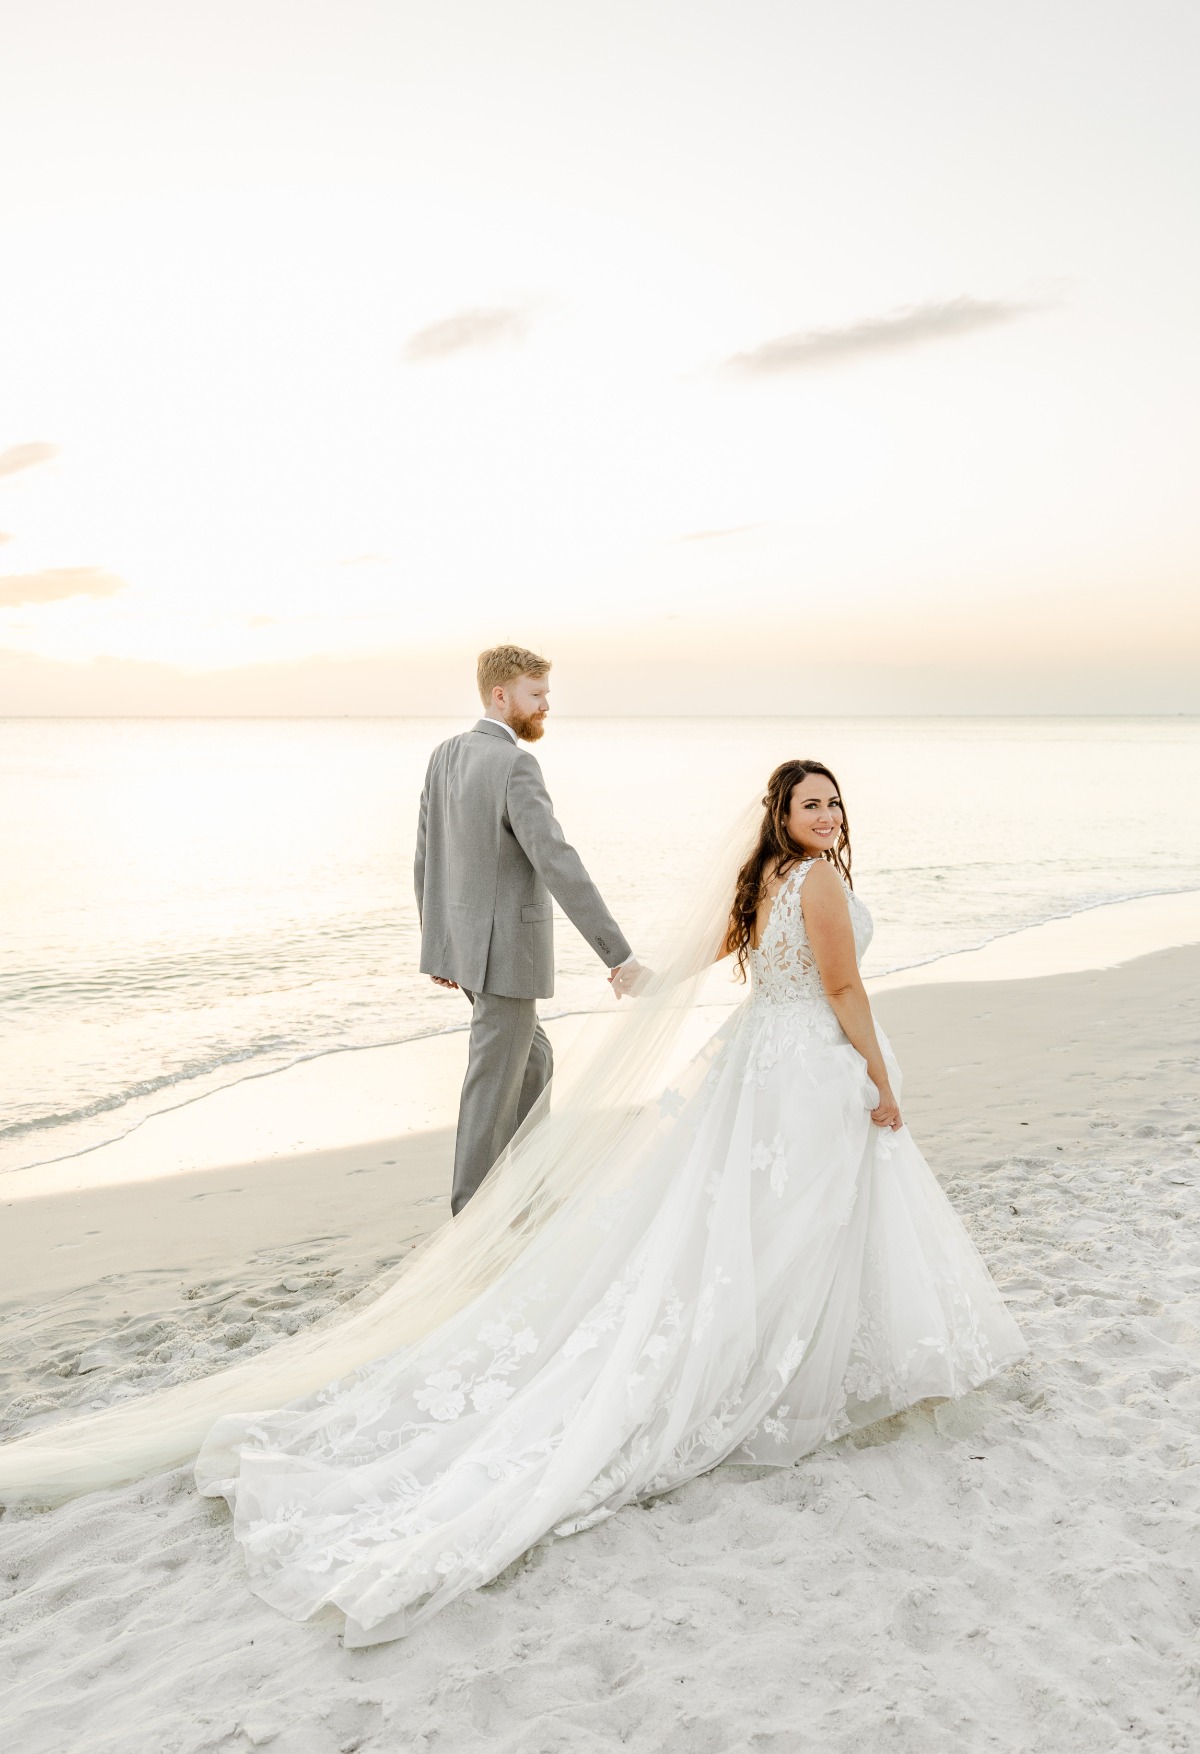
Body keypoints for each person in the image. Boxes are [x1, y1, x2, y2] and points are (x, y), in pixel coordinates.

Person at [0, 760, 1027, 1649]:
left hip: (760, 1061)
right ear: (781, 813)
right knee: (803, 1216)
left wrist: (660, 980)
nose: (830, 817)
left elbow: (728, 951)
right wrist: (882, 1081)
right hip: (802, 1067)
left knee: (760, 1222)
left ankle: (792, 1346)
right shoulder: (820, 889)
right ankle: (797, 1360)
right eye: (812, 805)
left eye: (837, 805)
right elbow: (844, 993)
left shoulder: (767, 879)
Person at [415, 645, 641, 1213]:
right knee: (491, 1086)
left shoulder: (444, 754)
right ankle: (471, 1220)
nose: (545, 706)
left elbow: (425, 858)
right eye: (535, 695)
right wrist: (617, 953)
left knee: (533, 1061)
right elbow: (556, 859)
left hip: (466, 953)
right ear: (500, 694)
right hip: (505, 956)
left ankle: (535, 1193)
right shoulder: (515, 764)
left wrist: (438, 944)